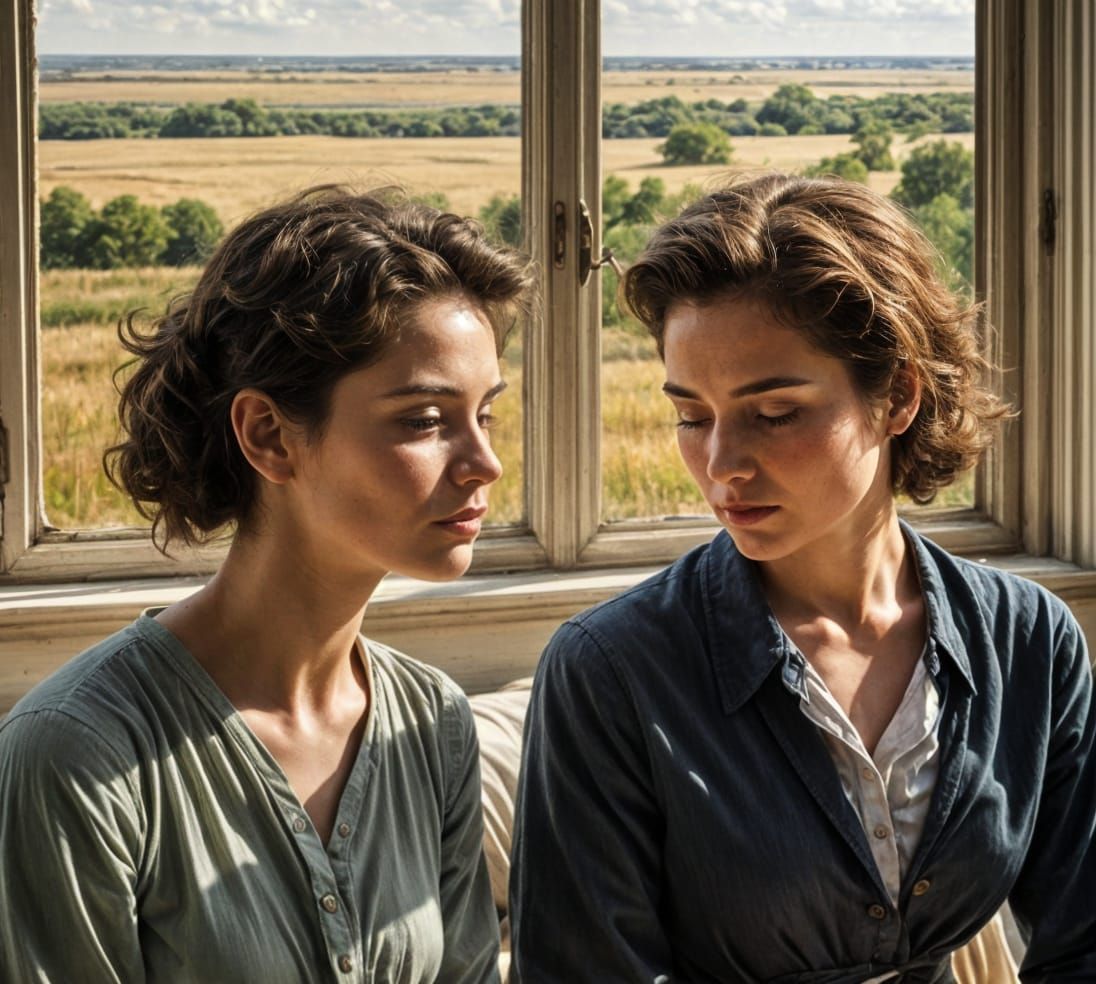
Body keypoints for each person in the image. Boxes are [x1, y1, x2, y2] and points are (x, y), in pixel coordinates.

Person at [509, 173, 1095, 982]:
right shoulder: (611, 672)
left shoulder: (1027, 638)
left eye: (774, 413)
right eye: (690, 415)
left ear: (897, 395)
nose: (720, 465)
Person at [0, 188, 533, 982]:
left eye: (484, 414)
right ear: (268, 436)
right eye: (424, 419)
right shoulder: (76, 756)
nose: (483, 462)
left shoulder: (432, 725)